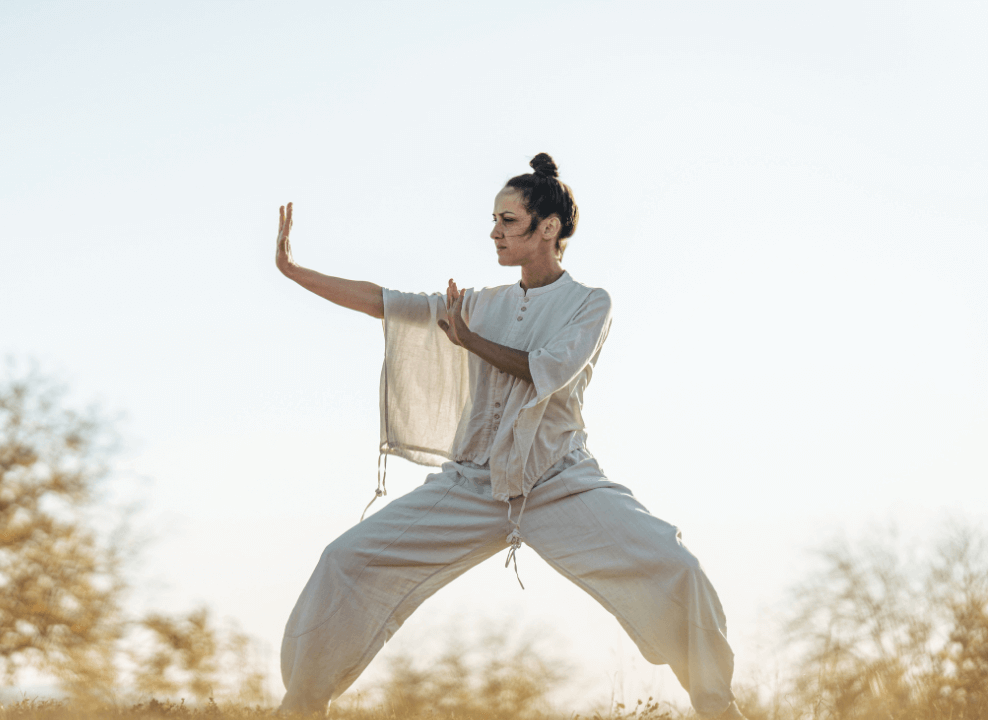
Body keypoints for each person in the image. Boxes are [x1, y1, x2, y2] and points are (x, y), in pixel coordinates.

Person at [272, 153, 746, 719]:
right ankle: (300, 708)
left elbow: (547, 369)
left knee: (676, 567)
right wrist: (294, 271)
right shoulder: (481, 303)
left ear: (549, 228)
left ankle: (719, 708)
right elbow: (384, 302)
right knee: (345, 560)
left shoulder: (589, 304)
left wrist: (468, 340)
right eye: (494, 220)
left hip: (559, 484)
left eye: (508, 221)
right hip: (472, 485)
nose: (494, 232)